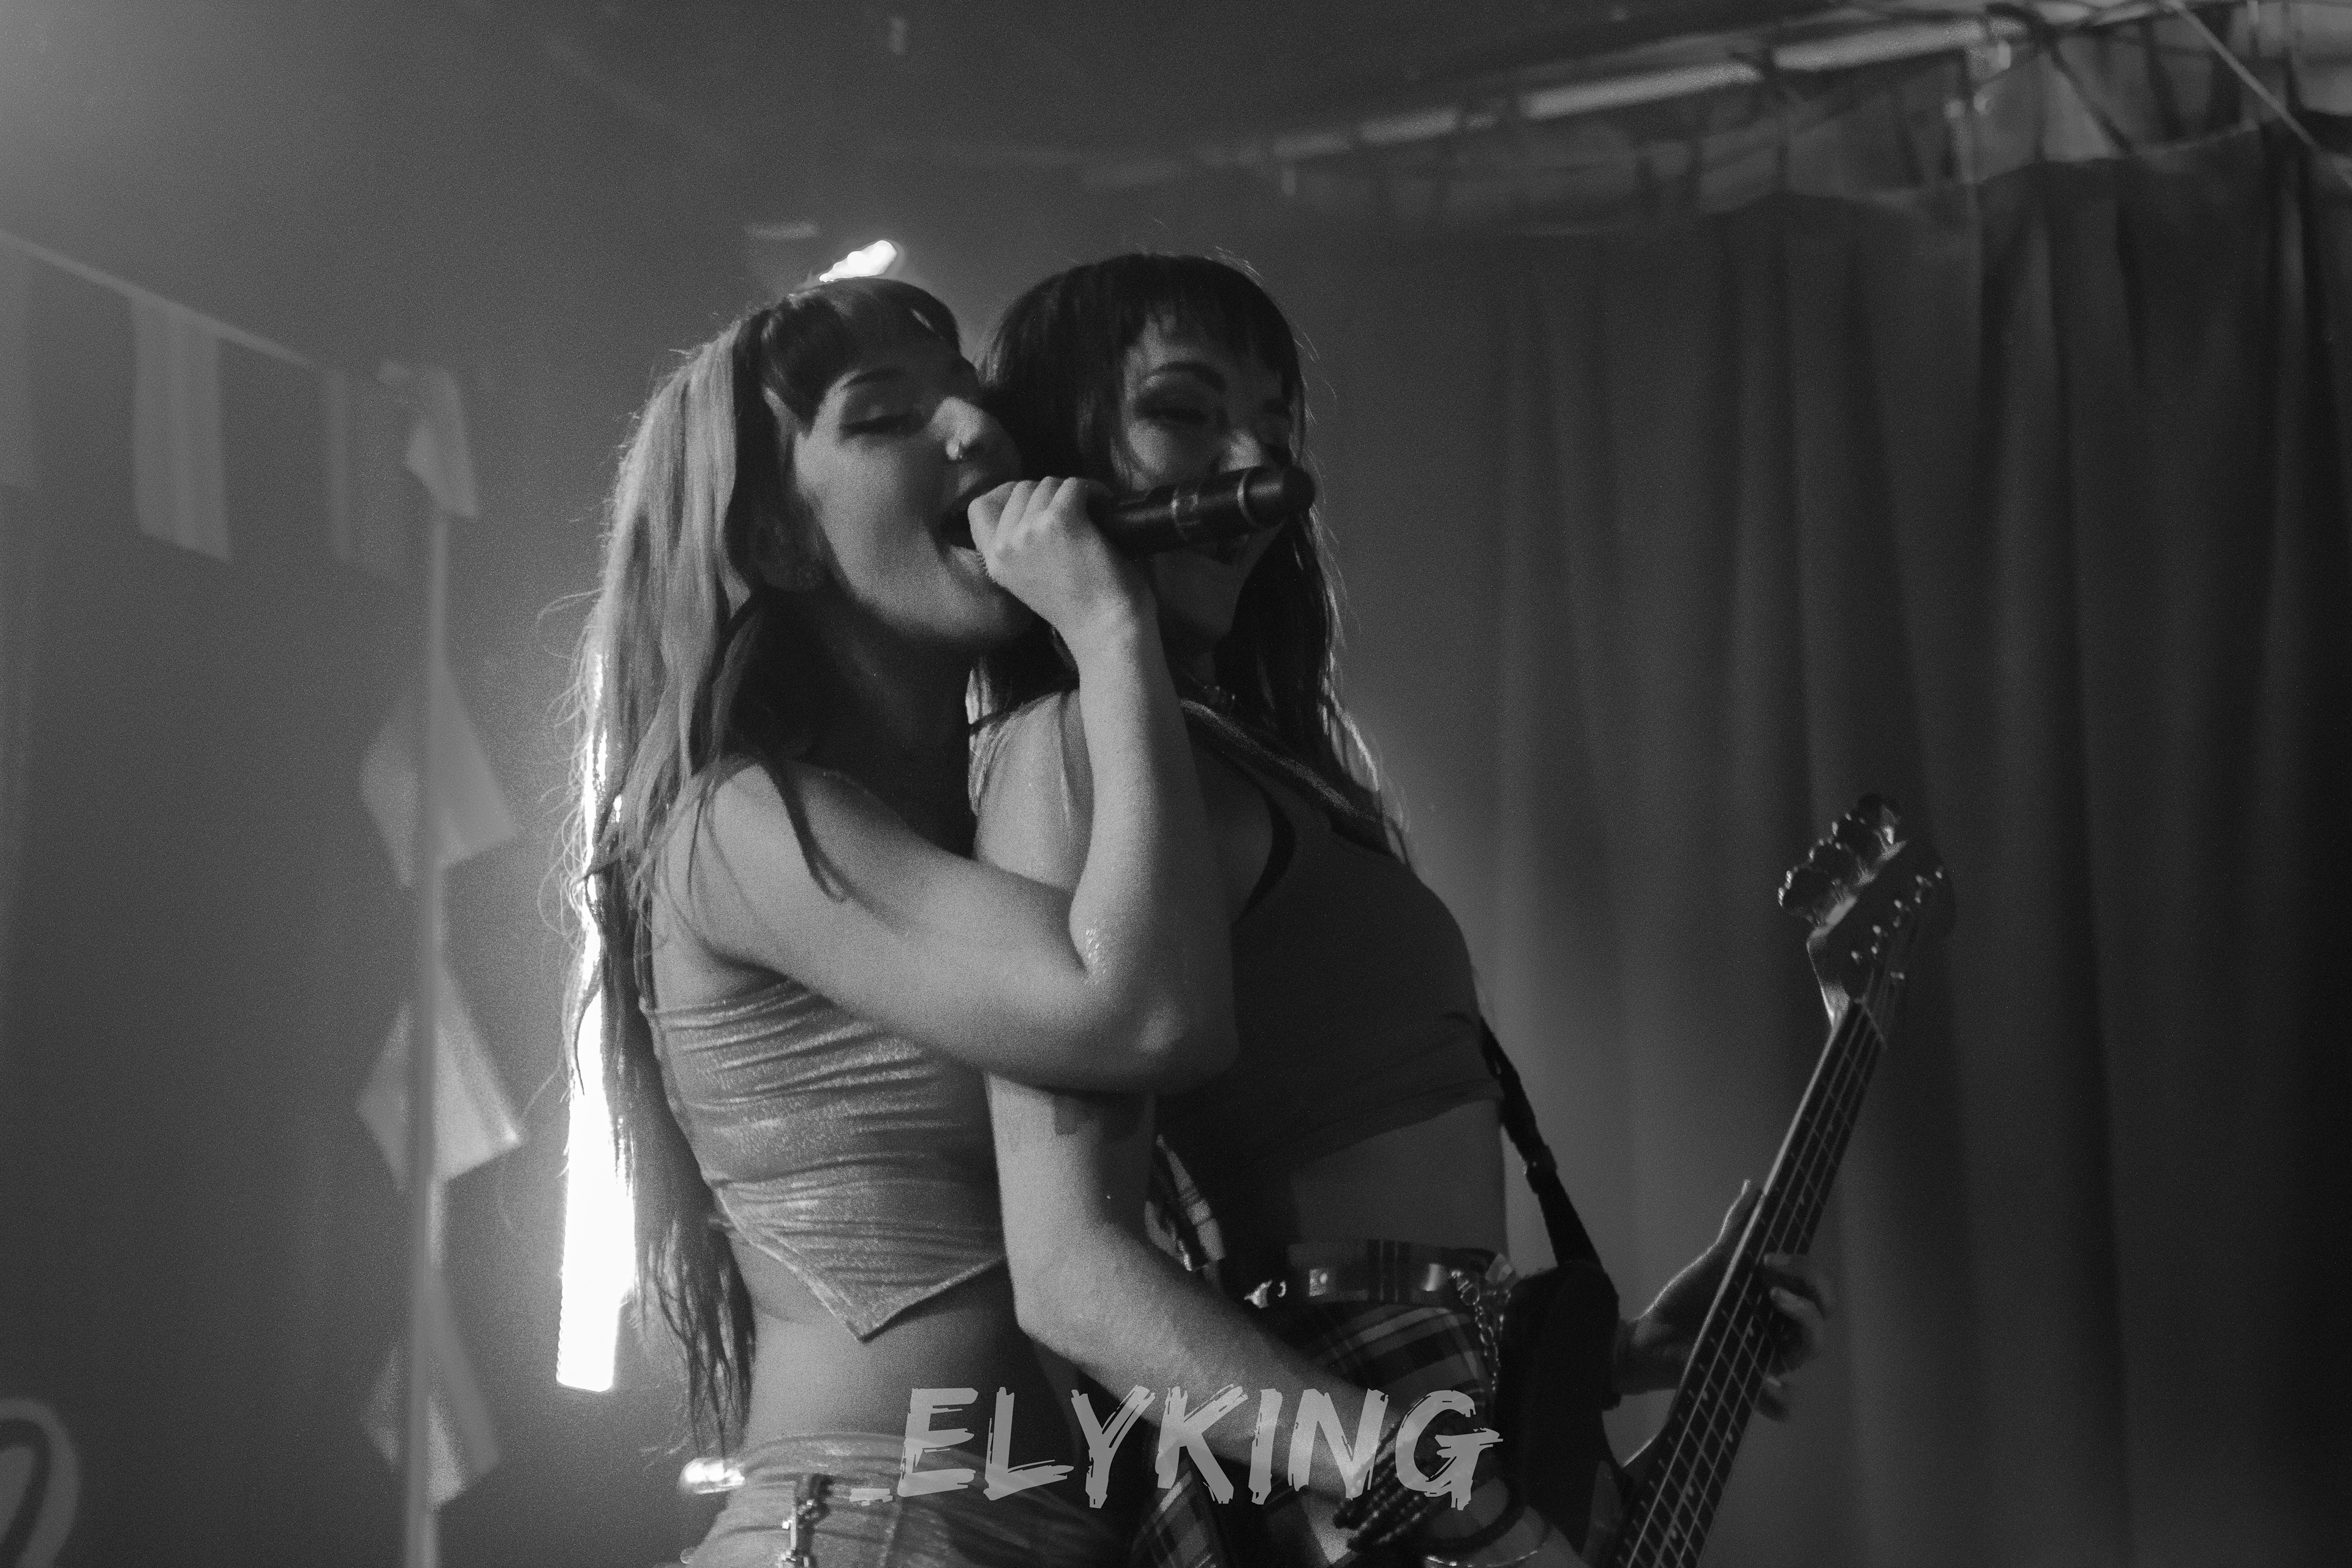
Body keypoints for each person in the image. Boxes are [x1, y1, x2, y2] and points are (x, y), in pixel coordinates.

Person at [971, 254, 1836, 1564]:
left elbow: (1363, 1262)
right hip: (1344, 1487)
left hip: (1431, 1427)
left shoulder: (1266, 760)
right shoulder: (1065, 749)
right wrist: (1437, 1486)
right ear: (1057, 463)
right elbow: (1074, 1274)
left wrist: (1618, 1352)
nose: (1255, 466)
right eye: (1186, 413)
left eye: (1276, 430)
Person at [568, 276, 1242, 1567]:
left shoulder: (989, 812)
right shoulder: (734, 826)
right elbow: (1150, 1012)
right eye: (886, 419)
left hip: (1038, 1530)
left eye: (974, 398)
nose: (978, 433)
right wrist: (1111, 626)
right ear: (777, 538)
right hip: (873, 1526)